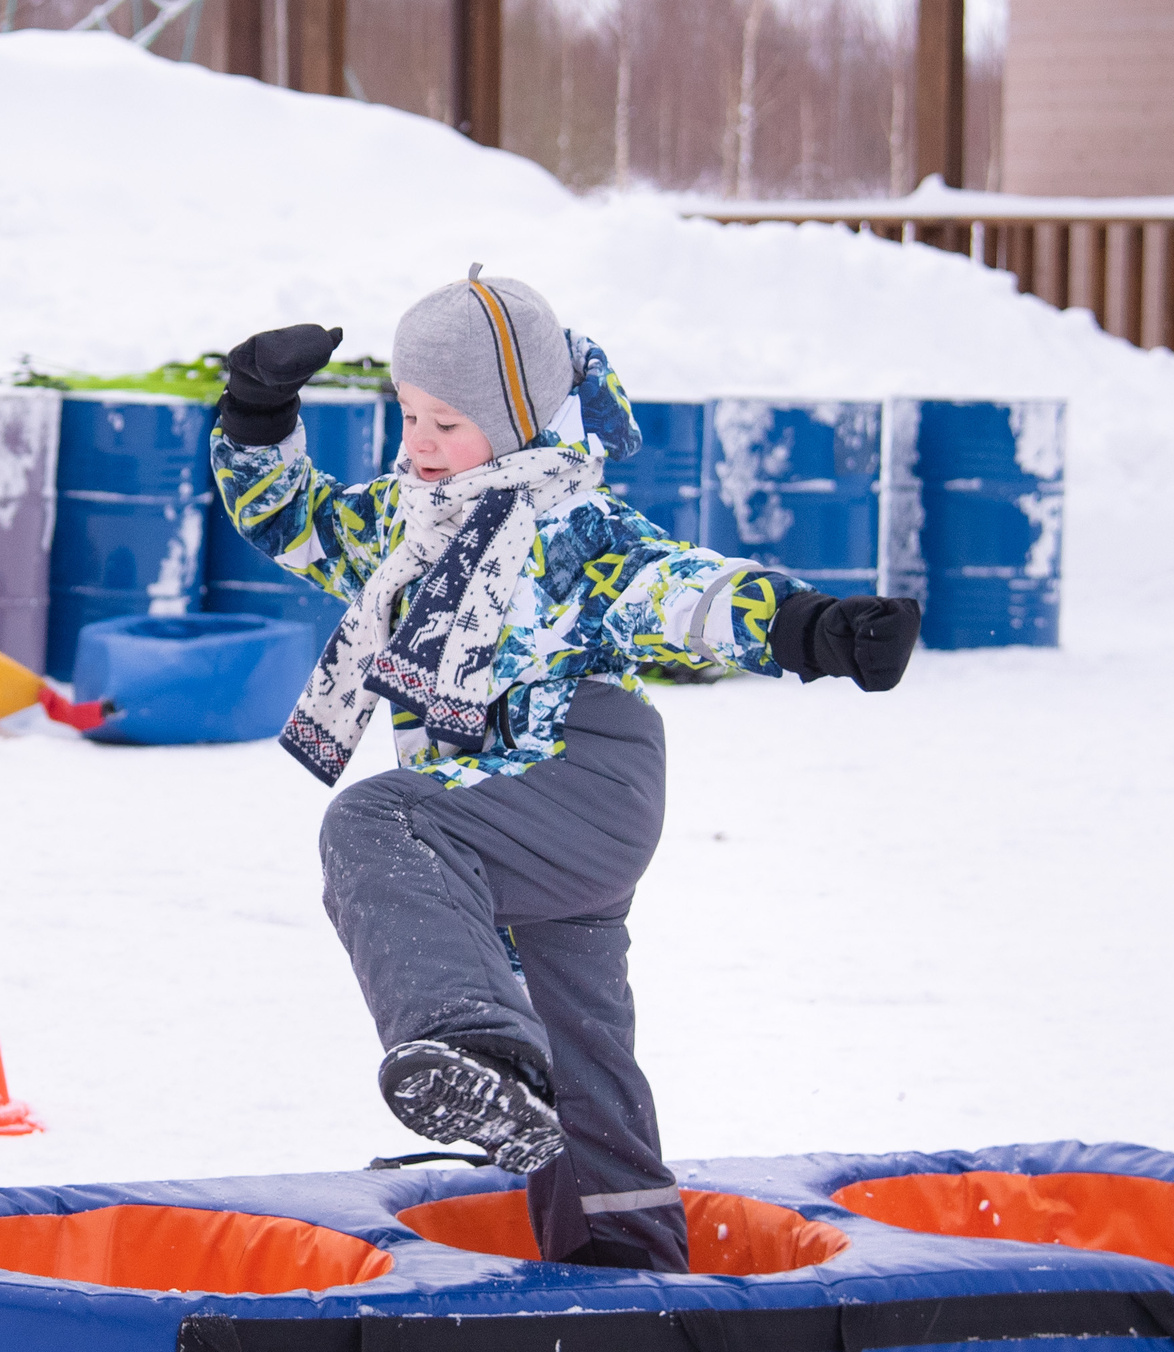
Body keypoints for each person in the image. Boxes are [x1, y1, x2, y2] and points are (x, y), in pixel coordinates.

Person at [209, 268, 920, 1272]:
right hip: (494, 820)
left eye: (445, 424)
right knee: (578, 1044)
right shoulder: (403, 525)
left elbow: (683, 589)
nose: (416, 444)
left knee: (377, 822)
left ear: (517, 422)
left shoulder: (567, 526)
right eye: (407, 416)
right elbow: (288, 517)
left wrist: (814, 628)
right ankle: (623, 1242)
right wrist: (256, 409)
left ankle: (476, 1047)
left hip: (578, 776)